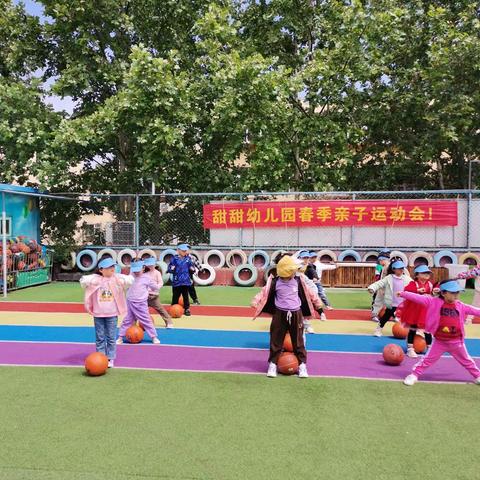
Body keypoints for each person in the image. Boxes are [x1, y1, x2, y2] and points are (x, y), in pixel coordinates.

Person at [251, 254, 323, 378]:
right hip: (279, 315)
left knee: (298, 341)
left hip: (296, 314)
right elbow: (263, 292)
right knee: (276, 341)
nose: (294, 272)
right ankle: (273, 364)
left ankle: (302, 365)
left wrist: (320, 308)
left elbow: (311, 295)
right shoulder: (274, 282)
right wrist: (255, 301)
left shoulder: (298, 281)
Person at [399, 279, 480, 386]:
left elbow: (476, 310)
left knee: (467, 361)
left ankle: (478, 376)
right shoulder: (433, 302)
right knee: (427, 360)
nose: (456, 295)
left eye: (457, 292)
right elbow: (418, 298)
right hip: (439, 342)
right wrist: (404, 294)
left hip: (457, 343)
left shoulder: (460, 305)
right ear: (443, 293)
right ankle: (414, 375)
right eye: (453, 293)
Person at [80, 257, 133, 368]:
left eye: (113, 266)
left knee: (111, 337)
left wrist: (122, 280)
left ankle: (111, 358)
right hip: (98, 313)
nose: (112, 269)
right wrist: (93, 280)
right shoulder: (96, 279)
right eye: (108, 267)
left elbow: (129, 280)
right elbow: (84, 281)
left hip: (112, 314)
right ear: (101, 270)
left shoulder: (117, 279)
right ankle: (101, 357)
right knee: (100, 337)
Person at [116, 260, 161, 344]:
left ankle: (154, 336)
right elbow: (122, 280)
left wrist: (156, 288)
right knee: (127, 320)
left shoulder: (147, 278)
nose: (136, 272)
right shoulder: (130, 277)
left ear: (143, 268)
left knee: (146, 320)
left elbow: (155, 286)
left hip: (141, 303)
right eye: (134, 270)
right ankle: (120, 337)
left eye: (138, 270)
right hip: (130, 302)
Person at [367, 260, 412, 337]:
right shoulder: (389, 278)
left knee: (408, 318)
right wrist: (372, 288)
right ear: (393, 269)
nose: (401, 270)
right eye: (399, 268)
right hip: (391, 303)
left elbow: (413, 285)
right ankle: (378, 330)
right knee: (385, 317)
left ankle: (409, 332)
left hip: (402, 304)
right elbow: (379, 283)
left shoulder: (407, 279)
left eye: (402, 268)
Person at [400, 265, 435, 357]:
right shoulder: (413, 283)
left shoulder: (430, 284)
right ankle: (410, 348)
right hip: (414, 311)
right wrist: (417, 290)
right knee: (413, 329)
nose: (427, 275)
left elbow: (432, 293)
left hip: (426, 311)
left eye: (428, 273)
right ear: (417, 275)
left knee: (427, 330)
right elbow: (406, 290)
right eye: (423, 273)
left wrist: (434, 292)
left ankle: (430, 348)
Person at [143, 256, 174, 328]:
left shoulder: (157, 273)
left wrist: (156, 287)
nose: (150, 266)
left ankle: (169, 322)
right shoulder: (144, 273)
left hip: (154, 296)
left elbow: (161, 283)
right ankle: (134, 323)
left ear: (155, 264)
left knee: (160, 309)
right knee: (139, 309)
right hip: (145, 296)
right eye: (149, 265)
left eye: (152, 264)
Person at [167, 244, 195, 316]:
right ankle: (173, 308)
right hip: (177, 281)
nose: (185, 252)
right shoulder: (174, 259)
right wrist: (171, 269)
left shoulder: (188, 259)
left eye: (185, 251)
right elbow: (170, 268)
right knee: (175, 296)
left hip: (185, 281)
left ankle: (187, 309)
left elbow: (191, 266)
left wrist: (192, 269)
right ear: (178, 250)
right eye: (183, 251)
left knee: (185, 295)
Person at [371, 252, 391, 322]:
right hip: (382, 287)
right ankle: (374, 315)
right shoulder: (382, 267)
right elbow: (379, 278)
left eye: (380, 261)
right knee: (378, 300)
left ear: (383, 260)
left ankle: (395, 315)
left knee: (392, 302)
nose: (379, 262)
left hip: (388, 287)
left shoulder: (390, 267)